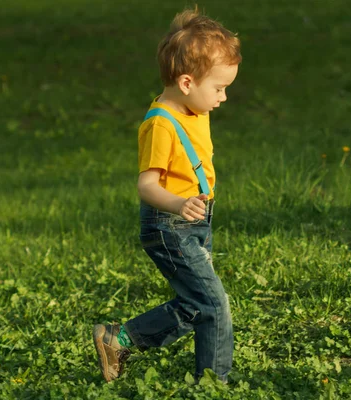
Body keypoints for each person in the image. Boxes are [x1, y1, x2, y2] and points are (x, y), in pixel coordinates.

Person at [92, 7, 241, 384]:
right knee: (213, 305)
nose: (223, 98)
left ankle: (119, 339)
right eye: (219, 88)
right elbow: (147, 186)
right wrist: (178, 203)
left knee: (197, 304)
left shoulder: (194, 108)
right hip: (169, 224)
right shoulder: (161, 124)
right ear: (187, 83)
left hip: (194, 221)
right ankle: (214, 384)